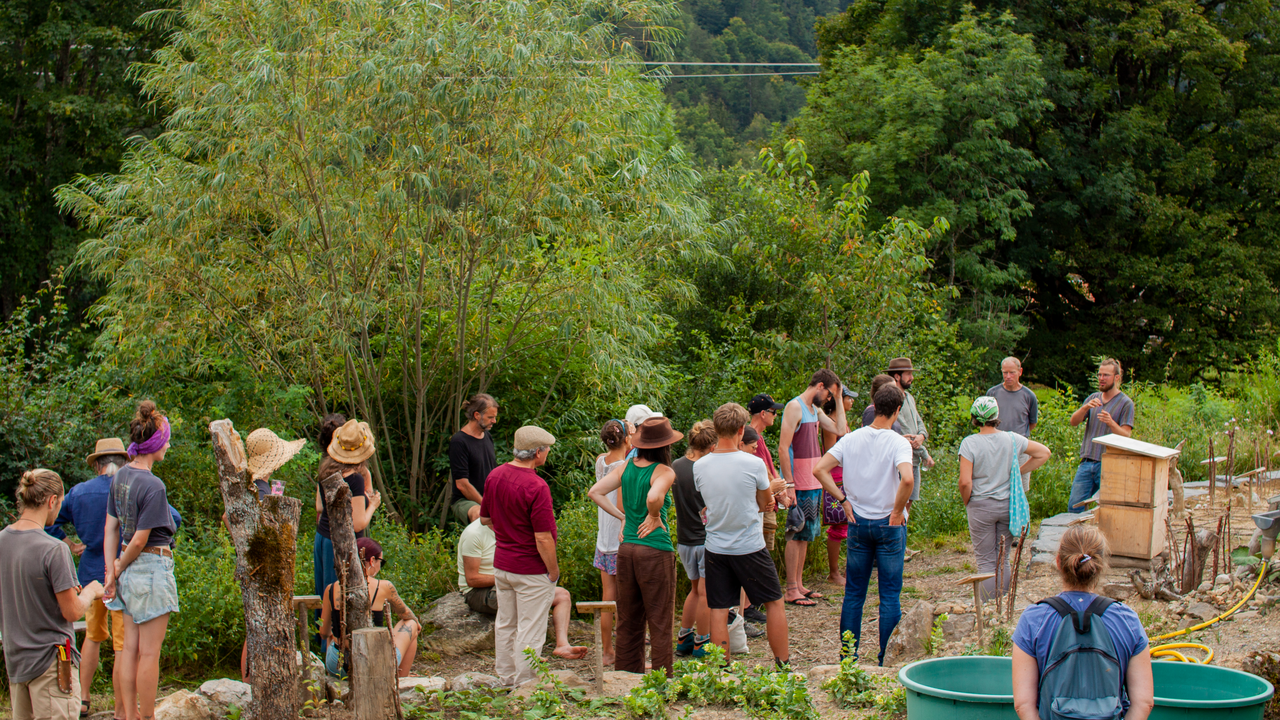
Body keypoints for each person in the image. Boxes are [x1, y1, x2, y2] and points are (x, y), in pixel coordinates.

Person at [812, 384, 912, 665]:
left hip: (858, 521)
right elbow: (907, 479)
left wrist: (843, 500)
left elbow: (819, 469)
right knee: (889, 595)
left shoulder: (851, 439)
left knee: (854, 593)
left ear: (874, 407)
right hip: (888, 523)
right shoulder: (899, 442)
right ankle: (885, 658)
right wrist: (897, 511)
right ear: (897, 411)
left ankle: (848, 657)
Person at [1012, 526, 1153, 720]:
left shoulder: (1033, 619)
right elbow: (1144, 703)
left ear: (1058, 562)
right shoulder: (1126, 619)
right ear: (1101, 565)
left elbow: (1023, 705)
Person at [2, 469, 104, 720]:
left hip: (16, 662)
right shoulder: (54, 549)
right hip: (51, 663)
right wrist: (90, 591)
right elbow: (72, 611)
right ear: (51, 501)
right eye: (59, 504)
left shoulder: (2, 540)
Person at [695, 403, 790, 668]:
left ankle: (721, 668)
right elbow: (764, 502)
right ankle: (783, 664)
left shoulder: (699, 466)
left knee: (718, 607)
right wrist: (764, 500)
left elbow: (710, 499)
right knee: (774, 602)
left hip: (716, 546)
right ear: (741, 430)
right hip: (749, 545)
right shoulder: (754, 463)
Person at [104, 400, 180, 720]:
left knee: (129, 650)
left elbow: (111, 528)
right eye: (166, 441)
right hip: (149, 567)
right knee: (149, 653)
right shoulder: (153, 485)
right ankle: (147, 716)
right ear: (156, 444)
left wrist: (112, 571)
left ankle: (128, 714)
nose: (168, 446)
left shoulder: (120, 476)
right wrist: (118, 566)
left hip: (127, 571)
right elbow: (139, 539)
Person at [588, 417, 681, 677]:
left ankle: (626, 675)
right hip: (655, 549)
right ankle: (662, 679)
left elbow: (595, 492)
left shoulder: (626, 466)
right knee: (660, 619)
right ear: (665, 446)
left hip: (626, 549)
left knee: (629, 618)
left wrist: (623, 517)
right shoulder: (664, 471)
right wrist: (654, 515)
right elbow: (654, 496)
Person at [480, 425, 563, 687]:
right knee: (531, 628)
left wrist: (507, 530)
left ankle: (506, 677)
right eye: (547, 450)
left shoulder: (495, 475)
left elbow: (485, 518)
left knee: (506, 623)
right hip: (530, 567)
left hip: (503, 563)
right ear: (537, 452)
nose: (547, 454)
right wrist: (553, 571)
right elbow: (543, 537)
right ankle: (525, 684)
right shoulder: (537, 486)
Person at [230, 428, 306, 680]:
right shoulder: (261, 490)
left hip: (255, 562)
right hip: (265, 565)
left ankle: (249, 679)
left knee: (255, 623)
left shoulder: (249, 486)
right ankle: (251, 678)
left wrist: (243, 545)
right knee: (259, 624)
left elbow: (229, 517)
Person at [958, 397, 1051, 600]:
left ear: (974, 417)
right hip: (1008, 506)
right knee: (1003, 559)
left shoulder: (969, 443)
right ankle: (1003, 606)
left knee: (985, 561)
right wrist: (1017, 472)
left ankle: (987, 606)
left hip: (980, 505)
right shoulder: (1012, 439)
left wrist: (968, 502)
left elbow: (965, 482)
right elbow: (1044, 453)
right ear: (996, 416)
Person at [455, 519, 588, 660]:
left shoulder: (510, 527)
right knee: (524, 598)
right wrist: (511, 577)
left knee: (562, 595)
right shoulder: (474, 534)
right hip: (479, 592)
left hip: (507, 582)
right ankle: (527, 653)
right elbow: (472, 579)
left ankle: (562, 645)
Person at [777, 369, 847, 606]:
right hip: (798, 482)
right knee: (796, 532)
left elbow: (840, 430)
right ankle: (790, 588)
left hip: (813, 480)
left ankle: (799, 585)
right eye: (829, 394)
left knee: (806, 534)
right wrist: (789, 484)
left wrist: (839, 398)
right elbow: (783, 447)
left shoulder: (815, 410)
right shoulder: (794, 407)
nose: (828, 399)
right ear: (820, 386)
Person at [314, 420, 381, 632]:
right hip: (341, 543)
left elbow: (319, 506)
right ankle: (338, 643)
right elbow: (358, 523)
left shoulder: (326, 469)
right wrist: (373, 505)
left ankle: (322, 639)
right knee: (340, 597)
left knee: (325, 593)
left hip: (322, 537)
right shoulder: (355, 479)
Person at [321, 538, 421, 678]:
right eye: (381, 562)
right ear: (372, 560)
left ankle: (333, 677)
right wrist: (417, 622)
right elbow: (406, 614)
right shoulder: (384, 586)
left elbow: (323, 633)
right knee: (412, 624)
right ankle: (400, 680)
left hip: (337, 663)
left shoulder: (331, 588)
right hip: (372, 664)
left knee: (332, 635)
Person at [1068, 358, 1135, 513]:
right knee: (1074, 506)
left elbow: (1126, 435)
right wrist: (1084, 408)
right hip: (1087, 462)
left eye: (1106, 375)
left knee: (1109, 508)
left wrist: (1111, 423)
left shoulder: (1126, 403)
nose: (1101, 378)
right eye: (1099, 375)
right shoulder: (1093, 398)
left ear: (1116, 377)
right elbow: (1073, 422)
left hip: (1110, 464)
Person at [673, 420, 717, 657]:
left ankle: (684, 637)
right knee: (706, 593)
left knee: (694, 590)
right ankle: (702, 641)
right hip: (705, 539)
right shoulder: (706, 469)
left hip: (684, 539)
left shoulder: (676, 466)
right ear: (711, 446)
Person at [592, 419, 630, 665]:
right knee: (626, 599)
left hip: (603, 541)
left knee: (608, 597)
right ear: (626, 439)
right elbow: (622, 505)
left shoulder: (600, 461)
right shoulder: (624, 467)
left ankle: (607, 651)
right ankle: (626, 651)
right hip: (619, 539)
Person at [821, 388, 858, 586]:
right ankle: (833, 572)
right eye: (848, 398)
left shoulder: (842, 423)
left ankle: (844, 569)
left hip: (847, 474)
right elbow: (830, 452)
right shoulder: (830, 424)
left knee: (849, 523)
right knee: (839, 524)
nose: (851, 402)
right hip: (836, 477)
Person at [886, 357, 933, 505]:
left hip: (915, 459)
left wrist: (922, 436)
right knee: (899, 504)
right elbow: (906, 432)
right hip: (902, 459)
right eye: (908, 374)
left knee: (909, 503)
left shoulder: (909, 397)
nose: (911, 378)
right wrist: (924, 452)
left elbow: (919, 421)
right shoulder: (892, 399)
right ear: (897, 376)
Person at [450, 394, 499, 525]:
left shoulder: (487, 436)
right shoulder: (459, 441)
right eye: (490, 417)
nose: (494, 421)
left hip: (489, 499)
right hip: (465, 501)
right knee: (480, 515)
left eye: (494, 417)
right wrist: (487, 506)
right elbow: (462, 485)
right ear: (477, 415)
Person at [987, 357, 1039, 437]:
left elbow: (1033, 423)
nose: (1008, 376)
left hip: (1020, 441)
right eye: (1005, 373)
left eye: (1012, 373)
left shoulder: (1029, 396)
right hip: (997, 440)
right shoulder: (992, 393)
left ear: (1020, 372)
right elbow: (986, 420)